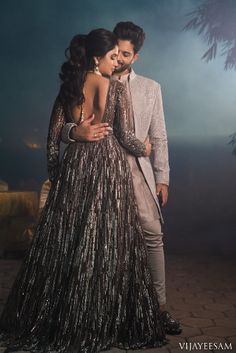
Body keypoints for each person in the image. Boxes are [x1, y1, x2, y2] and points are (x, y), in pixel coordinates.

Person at [0, 29, 166, 353]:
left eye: (120, 57)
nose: (116, 62)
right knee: (104, 244)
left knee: (70, 242)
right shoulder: (115, 88)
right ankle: (102, 319)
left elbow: (51, 140)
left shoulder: (69, 88)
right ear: (96, 57)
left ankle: (63, 317)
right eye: (112, 57)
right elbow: (124, 136)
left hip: (74, 169)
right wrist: (145, 148)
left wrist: (58, 175)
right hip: (108, 172)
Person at [62, 22, 182, 335]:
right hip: (95, 170)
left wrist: (162, 177)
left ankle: (159, 308)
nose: (120, 59)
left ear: (135, 57)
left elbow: (160, 136)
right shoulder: (87, 79)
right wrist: (76, 132)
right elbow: (60, 125)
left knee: (152, 233)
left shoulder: (150, 88)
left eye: (126, 54)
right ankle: (104, 313)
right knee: (98, 240)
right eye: (116, 52)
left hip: (136, 169)